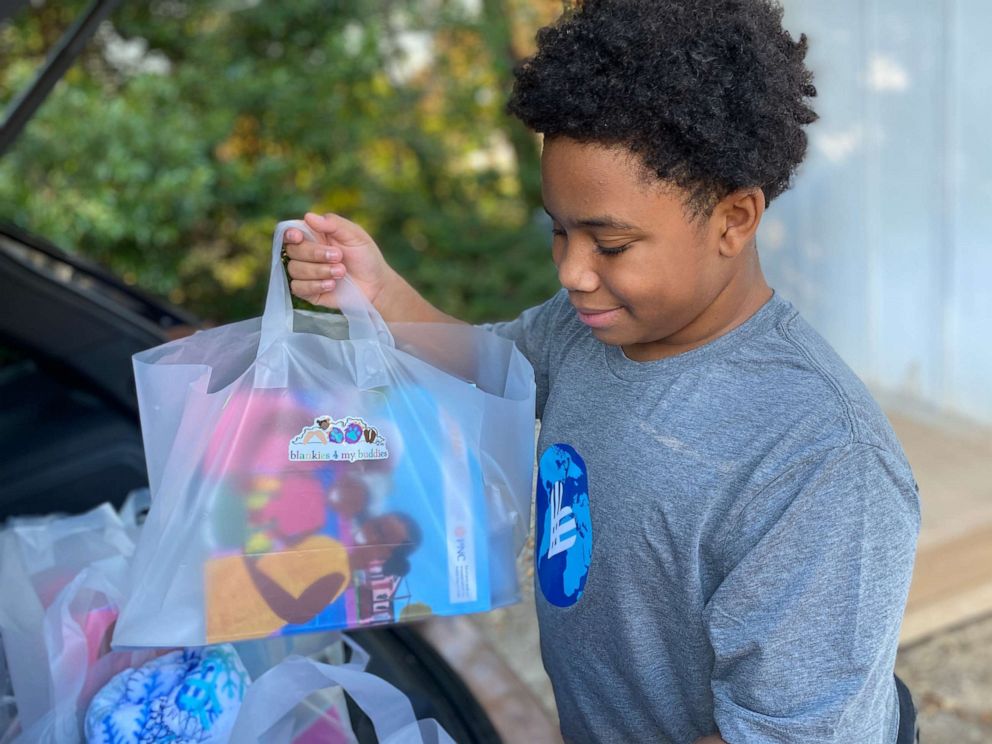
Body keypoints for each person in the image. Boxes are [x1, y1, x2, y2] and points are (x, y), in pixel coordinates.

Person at [281, 1, 921, 741]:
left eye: (610, 244)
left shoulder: (821, 459)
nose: (574, 272)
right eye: (559, 230)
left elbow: (784, 733)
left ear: (734, 219)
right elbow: (492, 367)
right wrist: (379, 293)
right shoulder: (590, 327)